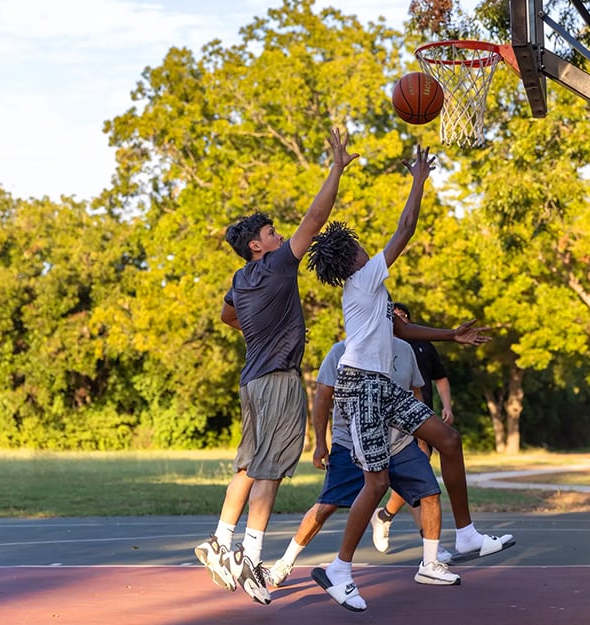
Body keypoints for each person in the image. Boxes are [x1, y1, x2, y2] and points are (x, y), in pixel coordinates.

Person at [305, 145, 514, 612]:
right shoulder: (361, 279)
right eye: (359, 245)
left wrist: (451, 336)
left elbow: (400, 329)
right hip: (361, 388)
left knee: (449, 439)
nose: (366, 247)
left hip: (384, 387)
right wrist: (419, 178)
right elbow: (405, 230)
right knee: (376, 485)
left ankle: (465, 537)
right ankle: (339, 571)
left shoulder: (373, 289)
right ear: (351, 257)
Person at [193, 128, 358, 606]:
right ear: (257, 247)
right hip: (279, 381)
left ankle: (221, 542)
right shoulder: (278, 266)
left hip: (251, 381)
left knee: (247, 464)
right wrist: (336, 168)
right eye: (270, 233)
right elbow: (315, 217)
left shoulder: (240, 279)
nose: (279, 235)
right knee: (270, 471)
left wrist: (255, 327)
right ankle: (249, 556)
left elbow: (228, 316)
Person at [263, 336, 453, 590]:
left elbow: (416, 394)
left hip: (399, 443)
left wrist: (422, 437)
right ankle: (285, 562)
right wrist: (321, 443)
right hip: (350, 443)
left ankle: (430, 565)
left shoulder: (404, 350)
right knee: (326, 506)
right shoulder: (340, 351)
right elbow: (323, 398)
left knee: (430, 494)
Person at [370, 301, 453, 553]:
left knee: (420, 480)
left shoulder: (420, 347)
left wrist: (447, 406)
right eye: (394, 315)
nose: (399, 318)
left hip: (419, 419)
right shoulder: (373, 347)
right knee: (413, 480)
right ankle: (427, 542)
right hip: (389, 424)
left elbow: (437, 379)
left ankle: (386, 516)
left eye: (403, 315)